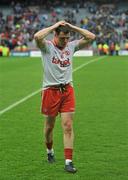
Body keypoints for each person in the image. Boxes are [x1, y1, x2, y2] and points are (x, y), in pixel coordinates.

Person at [34, 20, 95, 173]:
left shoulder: (71, 46)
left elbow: (91, 37)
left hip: (67, 90)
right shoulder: (46, 47)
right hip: (50, 91)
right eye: (62, 38)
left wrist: (71, 27)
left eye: (67, 38)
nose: (65, 41)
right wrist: (55, 26)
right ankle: (50, 151)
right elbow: (37, 36)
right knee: (49, 128)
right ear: (55, 35)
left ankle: (69, 161)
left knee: (68, 126)